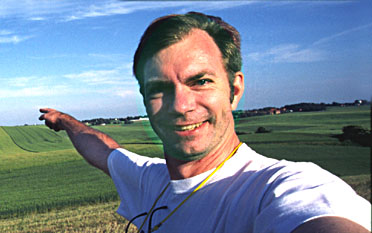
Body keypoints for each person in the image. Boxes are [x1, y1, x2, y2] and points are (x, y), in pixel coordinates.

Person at [39, 12, 370, 233]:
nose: (181, 106)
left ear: (235, 89)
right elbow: (104, 149)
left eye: (200, 81)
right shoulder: (150, 181)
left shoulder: (279, 188)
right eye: (159, 89)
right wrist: (65, 120)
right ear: (144, 99)